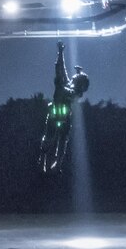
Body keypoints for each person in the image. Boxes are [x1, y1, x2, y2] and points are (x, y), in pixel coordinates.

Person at [39, 41, 90, 172]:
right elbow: (61, 68)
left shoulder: (75, 92)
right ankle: (43, 160)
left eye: (76, 77)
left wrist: (61, 84)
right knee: (49, 138)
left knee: (62, 140)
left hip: (62, 115)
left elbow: (62, 76)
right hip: (55, 113)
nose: (73, 77)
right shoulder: (69, 84)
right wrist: (61, 52)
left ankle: (57, 163)